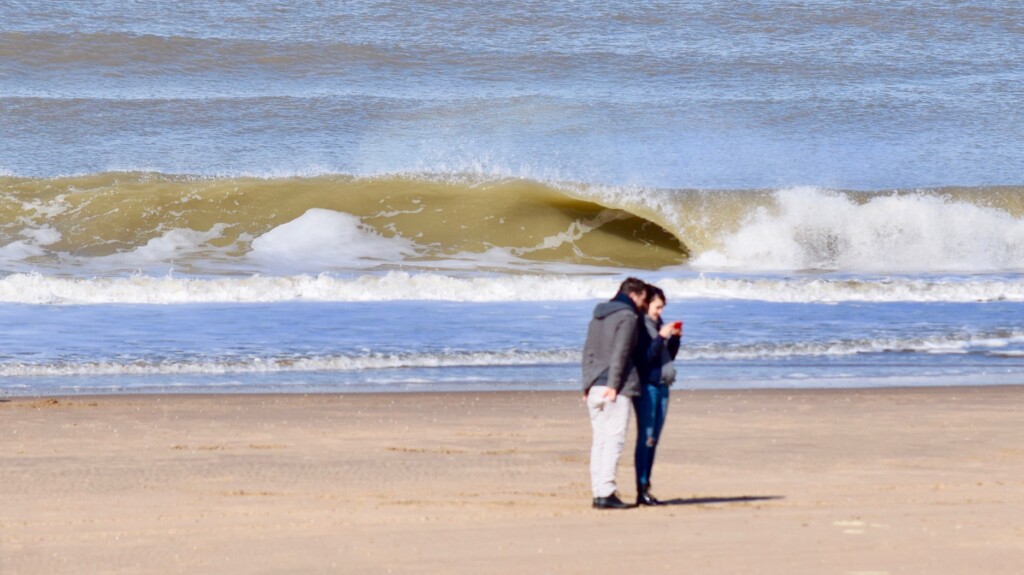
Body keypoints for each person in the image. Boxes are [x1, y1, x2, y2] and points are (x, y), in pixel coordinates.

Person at [581, 277, 648, 510]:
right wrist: (614, 384)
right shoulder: (627, 316)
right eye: (642, 299)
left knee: (599, 440)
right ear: (633, 295)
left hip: (594, 386)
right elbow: (621, 352)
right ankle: (607, 491)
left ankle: (598, 492)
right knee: (614, 440)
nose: (643, 304)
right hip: (614, 387)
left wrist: (586, 385)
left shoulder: (598, 315)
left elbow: (588, 350)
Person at [632, 285, 681, 506]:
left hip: (663, 385)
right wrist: (661, 338)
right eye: (657, 307)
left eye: (662, 308)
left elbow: (666, 357)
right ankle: (641, 487)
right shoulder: (641, 326)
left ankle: (646, 486)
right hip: (648, 386)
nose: (660, 312)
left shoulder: (657, 324)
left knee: (654, 439)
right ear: (647, 304)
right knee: (647, 437)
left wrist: (674, 339)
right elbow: (645, 359)